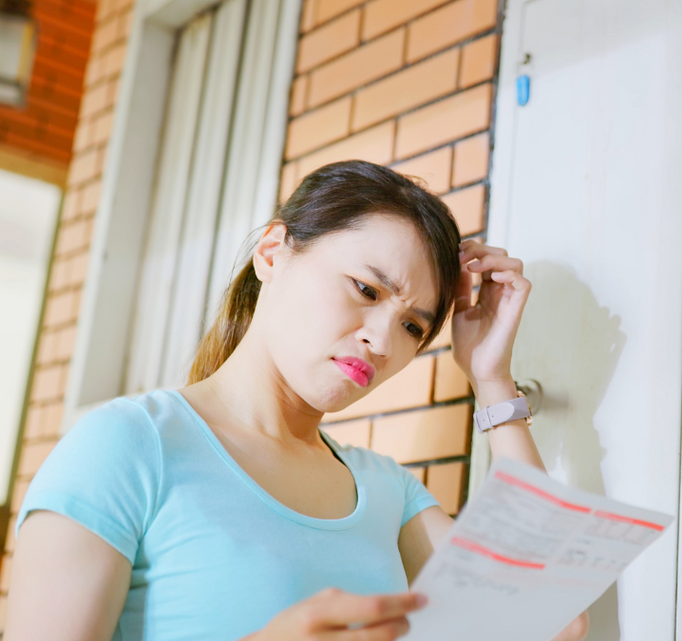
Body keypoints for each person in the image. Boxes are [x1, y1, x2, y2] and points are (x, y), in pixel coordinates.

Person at [6, 161, 590, 641]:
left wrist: (491, 378)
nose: (382, 341)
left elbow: (555, 622)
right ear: (273, 251)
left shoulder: (389, 493)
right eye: (366, 289)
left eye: (414, 327)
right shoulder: (129, 445)